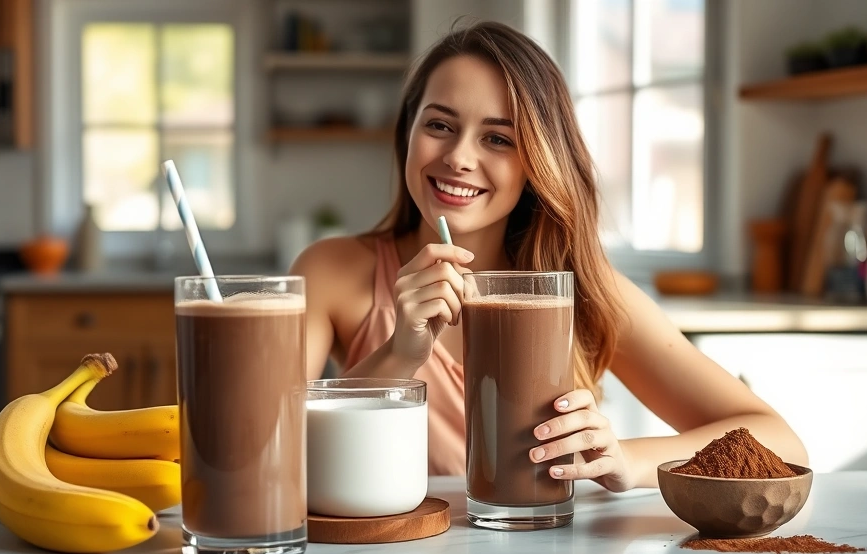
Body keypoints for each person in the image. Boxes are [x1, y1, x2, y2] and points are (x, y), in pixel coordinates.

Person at [291, 20, 807, 490]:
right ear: (409, 130)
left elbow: (778, 441)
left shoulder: (580, 289)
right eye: (440, 125)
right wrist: (399, 355)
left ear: (537, 161)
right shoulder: (331, 272)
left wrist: (625, 459)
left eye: (497, 138)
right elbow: (272, 455)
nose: (458, 157)